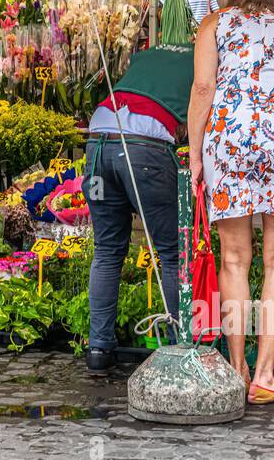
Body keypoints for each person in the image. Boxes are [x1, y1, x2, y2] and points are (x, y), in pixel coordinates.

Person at [187, 0, 274, 405]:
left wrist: (194, 152)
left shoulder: (214, 24)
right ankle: (265, 374)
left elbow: (204, 88)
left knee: (235, 259)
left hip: (230, 136)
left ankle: (237, 369)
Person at [82, 43, 194, 372]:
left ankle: (98, 349)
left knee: (106, 251)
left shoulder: (148, 55)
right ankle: (179, 346)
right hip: (144, 150)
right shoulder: (204, 57)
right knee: (171, 252)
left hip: (97, 146)